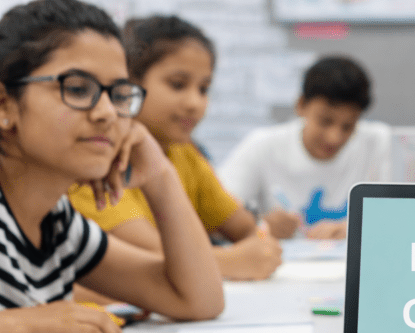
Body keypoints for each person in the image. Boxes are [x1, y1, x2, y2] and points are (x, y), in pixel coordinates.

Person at [0, 0, 223, 333]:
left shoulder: (56, 221)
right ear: (5, 105)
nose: (106, 113)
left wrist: (157, 172)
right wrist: (18, 326)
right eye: (79, 89)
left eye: (119, 94)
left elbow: (197, 300)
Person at [68, 15, 281, 282]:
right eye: (177, 84)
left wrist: (259, 244)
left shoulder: (185, 154)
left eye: (204, 89)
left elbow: (247, 228)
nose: (194, 102)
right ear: (128, 86)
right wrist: (232, 261)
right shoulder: (97, 163)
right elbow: (154, 255)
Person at [218, 55, 390, 240]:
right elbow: (216, 212)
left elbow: (399, 217)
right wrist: (259, 225)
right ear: (301, 105)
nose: (334, 138)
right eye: (325, 121)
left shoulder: (378, 142)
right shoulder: (262, 145)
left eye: (348, 126)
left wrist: (352, 230)